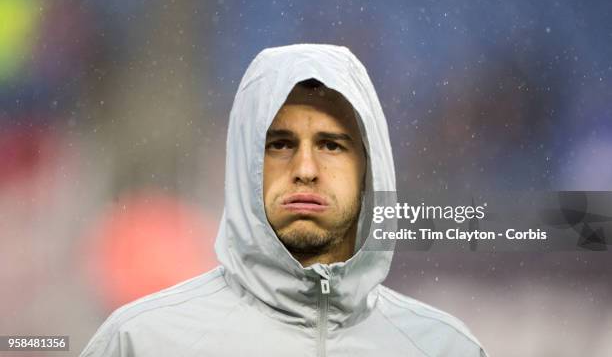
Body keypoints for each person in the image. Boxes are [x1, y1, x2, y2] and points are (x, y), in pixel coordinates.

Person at [80, 44, 488, 356]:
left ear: (370, 166)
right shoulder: (142, 342)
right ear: (244, 162)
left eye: (330, 145)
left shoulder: (443, 347)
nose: (305, 168)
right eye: (279, 144)